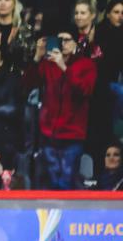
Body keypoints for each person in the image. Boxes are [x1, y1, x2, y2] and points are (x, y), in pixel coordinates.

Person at [25, 29, 97, 190]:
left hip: (72, 133)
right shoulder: (47, 64)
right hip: (49, 133)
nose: (62, 43)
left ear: (75, 43)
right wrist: (37, 56)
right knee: (50, 181)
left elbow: (85, 90)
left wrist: (64, 67)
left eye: (66, 40)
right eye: (59, 40)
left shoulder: (86, 65)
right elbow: (28, 84)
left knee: (66, 180)